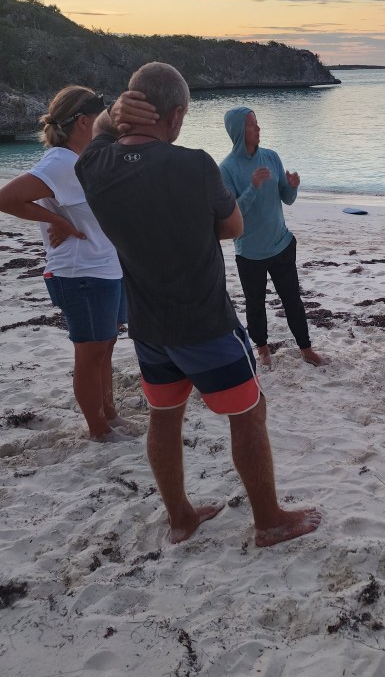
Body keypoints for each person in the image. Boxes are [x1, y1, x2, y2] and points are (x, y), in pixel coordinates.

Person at [75, 62, 322, 546]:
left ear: (127, 108)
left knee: (164, 417)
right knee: (248, 411)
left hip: (148, 326)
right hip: (206, 322)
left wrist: (113, 113)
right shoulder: (195, 164)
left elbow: (100, 135)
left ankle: (181, 518)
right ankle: (269, 521)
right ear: (176, 115)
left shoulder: (94, 165)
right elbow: (233, 228)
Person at [0, 86, 129, 440]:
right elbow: (6, 198)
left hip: (105, 266)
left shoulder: (84, 158)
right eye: (102, 114)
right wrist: (58, 222)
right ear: (84, 121)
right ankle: (98, 429)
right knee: (90, 352)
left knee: (106, 346)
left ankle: (110, 414)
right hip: (80, 271)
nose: (108, 120)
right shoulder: (60, 162)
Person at [219, 108, 323, 370]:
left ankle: (306, 348)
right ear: (238, 131)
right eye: (252, 125)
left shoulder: (271, 157)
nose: (258, 128)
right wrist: (253, 187)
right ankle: (263, 349)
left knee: (293, 300)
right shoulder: (227, 169)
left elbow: (286, 198)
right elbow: (234, 213)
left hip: (281, 244)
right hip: (249, 252)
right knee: (255, 305)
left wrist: (293, 186)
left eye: (257, 123)